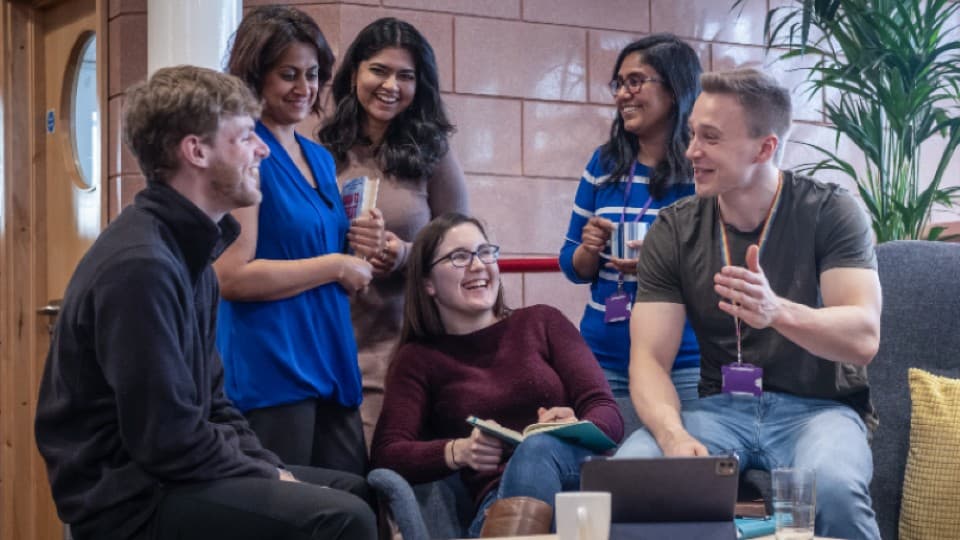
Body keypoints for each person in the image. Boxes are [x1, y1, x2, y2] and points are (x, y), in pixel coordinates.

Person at [33, 65, 377, 540]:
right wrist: (268, 476)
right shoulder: (142, 265)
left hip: (168, 475)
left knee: (356, 491)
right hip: (128, 501)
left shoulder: (189, 248)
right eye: (245, 138)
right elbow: (167, 440)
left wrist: (270, 467)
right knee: (341, 519)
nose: (262, 150)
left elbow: (214, 405)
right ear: (195, 151)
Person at [614, 68, 882, 539]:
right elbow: (649, 359)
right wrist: (674, 436)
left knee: (835, 488)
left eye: (710, 138)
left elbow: (862, 338)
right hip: (719, 410)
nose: (691, 151)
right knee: (632, 474)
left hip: (820, 409)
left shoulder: (831, 211)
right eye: (692, 133)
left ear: (764, 148)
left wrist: (777, 311)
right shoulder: (673, 229)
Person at [371, 213, 624, 538]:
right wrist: (457, 451)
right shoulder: (419, 359)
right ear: (428, 283)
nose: (478, 265)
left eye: (485, 252)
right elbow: (387, 453)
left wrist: (573, 425)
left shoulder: (543, 322)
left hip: (579, 488)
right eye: (459, 257)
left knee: (540, 447)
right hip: (499, 508)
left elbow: (608, 413)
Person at [215, 5, 383, 475]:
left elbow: (330, 254)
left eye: (312, 74)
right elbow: (231, 276)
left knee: (352, 505)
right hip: (273, 366)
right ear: (255, 76)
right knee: (290, 514)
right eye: (288, 74)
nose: (304, 88)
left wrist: (363, 247)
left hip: (328, 356)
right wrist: (334, 265)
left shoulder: (320, 157)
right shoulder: (246, 151)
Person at [318, 17, 468, 447]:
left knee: (386, 470)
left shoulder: (433, 152)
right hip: (330, 338)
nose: (391, 86)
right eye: (379, 70)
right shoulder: (321, 150)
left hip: (401, 345)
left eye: (406, 76)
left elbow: (460, 246)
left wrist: (404, 253)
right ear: (354, 73)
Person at [559, 34, 701, 411]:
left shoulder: (702, 172)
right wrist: (589, 249)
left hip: (684, 361)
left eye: (635, 81)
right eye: (618, 84)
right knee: (610, 465)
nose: (622, 94)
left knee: (682, 464)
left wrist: (661, 265)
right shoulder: (603, 164)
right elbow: (571, 265)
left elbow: (722, 265)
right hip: (603, 355)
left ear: (675, 90)